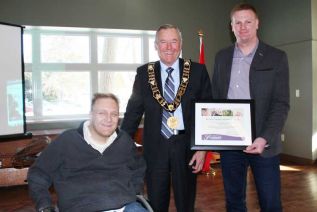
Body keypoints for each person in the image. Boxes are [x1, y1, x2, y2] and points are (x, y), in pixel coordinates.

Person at [120, 24, 212, 212]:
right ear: (156, 45)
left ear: (181, 44)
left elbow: (207, 113)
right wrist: (119, 145)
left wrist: (202, 149)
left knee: (186, 202)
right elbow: (133, 113)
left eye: (173, 42)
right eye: (163, 42)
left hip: (186, 147)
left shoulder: (197, 71)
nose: (169, 47)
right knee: (156, 202)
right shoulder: (144, 73)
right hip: (155, 148)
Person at [211, 3, 290, 212]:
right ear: (231, 26)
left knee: (270, 203)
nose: (243, 26)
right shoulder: (222, 57)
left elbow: (281, 103)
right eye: (238, 22)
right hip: (230, 143)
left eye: (248, 21)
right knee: (234, 202)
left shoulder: (277, 57)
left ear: (257, 24)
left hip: (263, 143)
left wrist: (264, 138)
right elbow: (216, 98)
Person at [27, 93, 147, 212]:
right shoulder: (67, 141)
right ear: (91, 115)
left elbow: (138, 168)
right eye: (102, 113)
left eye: (114, 114)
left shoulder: (124, 141)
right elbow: (38, 174)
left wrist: (134, 192)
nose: (109, 119)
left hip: (126, 207)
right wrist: (44, 206)